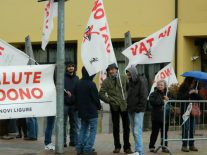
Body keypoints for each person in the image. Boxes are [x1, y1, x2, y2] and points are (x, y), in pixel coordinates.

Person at [99, 63, 133, 154]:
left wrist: (127, 99)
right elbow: (101, 93)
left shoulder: (123, 78)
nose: (111, 71)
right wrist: (109, 100)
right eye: (110, 70)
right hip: (114, 106)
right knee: (115, 127)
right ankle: (117, 146)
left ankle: (127, 147)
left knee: (126, 127)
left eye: (113, 69)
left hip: (124, 105)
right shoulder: (106, 81)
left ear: (116, 69)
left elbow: (129, 90)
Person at [75, 67, 101, 155]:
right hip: (92, 112)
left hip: (82, 112)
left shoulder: (78, 83)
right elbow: (96, 99)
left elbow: (76, 98)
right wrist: (99, 107)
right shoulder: (91, 84)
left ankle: (79, 148)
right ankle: (88, 149)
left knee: (83, 129)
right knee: (93, 130)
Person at [126, 66, 148, 155]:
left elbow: (143, 96)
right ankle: (137, 151)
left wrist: (139, 108)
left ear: (133, 73)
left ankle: (140, 152)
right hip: (130, 110)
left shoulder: (141, 82)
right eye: (127, 74)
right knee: (134, 132)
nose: (128, 76)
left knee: (136, 131)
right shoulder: (130, 83)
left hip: (138, 111)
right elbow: (130, 96)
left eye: (129, 74)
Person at [177, 77, 200, 152]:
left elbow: (200, 99)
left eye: (194, 82)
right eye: (192, 81)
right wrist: (189, 93)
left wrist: (196, 93)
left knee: (192, 129)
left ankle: (191, 145)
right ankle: (184, 145)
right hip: (185, 111)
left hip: (192, 111)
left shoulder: (194, 88)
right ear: (189, 81)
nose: (193, 83)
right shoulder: (183, 88)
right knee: (186, 128)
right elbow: (179, 98)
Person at [148, 80, 170, 153]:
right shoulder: (153, 94)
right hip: (156, 116)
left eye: (161, 85)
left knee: (164, 132)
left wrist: (168, 99)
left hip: (165, 116)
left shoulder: (167, 93)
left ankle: (164, 146)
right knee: (155, 132)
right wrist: (162, 101)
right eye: (159, 85)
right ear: (157, 86)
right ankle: (151, 146)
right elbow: (152, 102)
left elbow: (174, 101)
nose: (160, 86)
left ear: (164, 86)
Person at [64, 62, 80, 147]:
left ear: (74, 68)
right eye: (69, 66)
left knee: (74, 124)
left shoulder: (77, 78)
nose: (71, 68)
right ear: (66, 68)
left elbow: (78, 91)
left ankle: (73, 141)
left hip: (74, 105)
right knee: (63, 124)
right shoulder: (62, 78)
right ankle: (62, 142)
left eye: (72, 66)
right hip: (64, 104)